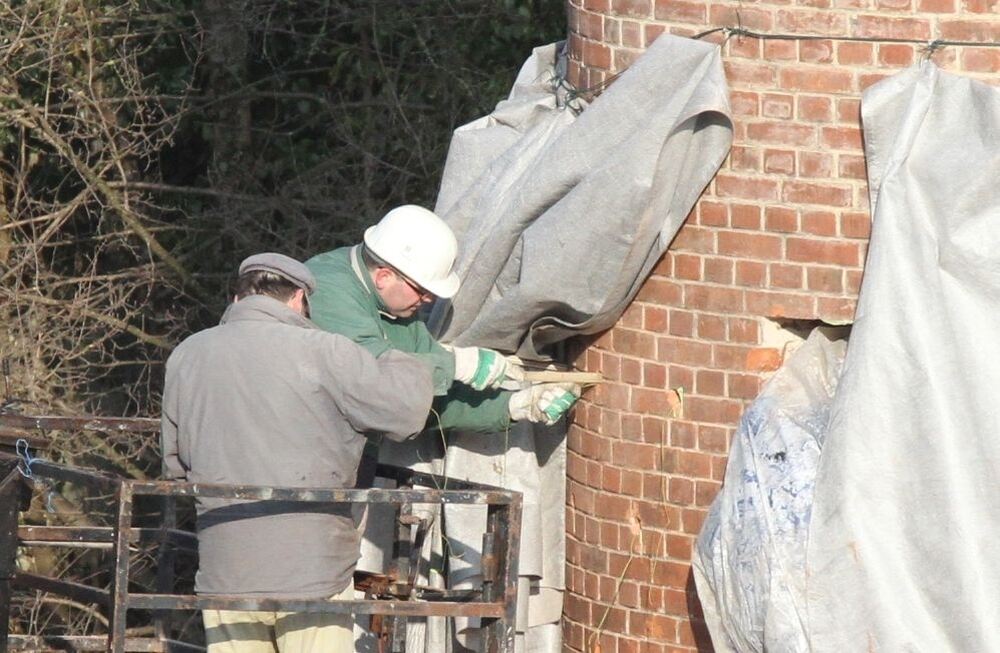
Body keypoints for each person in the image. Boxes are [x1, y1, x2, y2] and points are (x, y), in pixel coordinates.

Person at [160, 253, 434, 653]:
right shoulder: (325, 351)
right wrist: (403, 357)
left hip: (226, 570)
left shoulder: (186, 354)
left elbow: (175, 465)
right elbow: (405, 413)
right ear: (298, 299)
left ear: (237, 299)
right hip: (312, 570)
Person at [305, 204, 580, 433]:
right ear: (384, 277)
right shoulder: (327, 288)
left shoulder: (397, 309)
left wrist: (514, 406)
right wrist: (458, 364)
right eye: (423, 291)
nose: (429, 301)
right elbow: (372, 373)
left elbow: (419, 398)